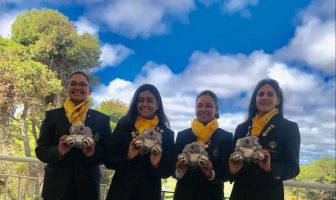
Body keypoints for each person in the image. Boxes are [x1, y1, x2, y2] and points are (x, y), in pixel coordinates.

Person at [35, 71, 113, 200]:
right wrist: (58, 151)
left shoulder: (102, 120)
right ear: (67, 88)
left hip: (88, 188)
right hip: (56, 188)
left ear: (89, 90)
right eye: (73, 83)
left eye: (82, 84)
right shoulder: (52, 116)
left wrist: (92, 153)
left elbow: (108, 153)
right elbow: (40, 150)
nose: (78, 87)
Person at [229, 78, 301, 200]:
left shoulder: (289, 128)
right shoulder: (242, 128)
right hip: (240, 193)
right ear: (255, 99)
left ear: (278, 100)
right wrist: (232, 170)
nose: (264, 97)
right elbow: (231, 162)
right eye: (260, 94)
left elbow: (293, 168)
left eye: (270, 94)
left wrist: (270, 168)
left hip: (269, 194)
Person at [105, 84, 175, 200]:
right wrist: (127, 157)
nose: (144, 104)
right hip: (120, 194)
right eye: (140, 100)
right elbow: (108, 160)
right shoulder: (124, 125)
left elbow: (167, 172)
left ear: (157, 105)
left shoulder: (167, 134)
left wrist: (156, 164)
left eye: (150, 100)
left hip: (149, 194)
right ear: (135, 104)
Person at [174, 90, 233, 200]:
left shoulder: (225, 137)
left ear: (216, 110)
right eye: (199, 106)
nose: (203, 109)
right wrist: (179, 171)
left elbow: (228, 172)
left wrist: (212, 174)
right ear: (195, 108)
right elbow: (173, 168)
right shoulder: (182, 135)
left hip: (212, 196)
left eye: (209, 106)